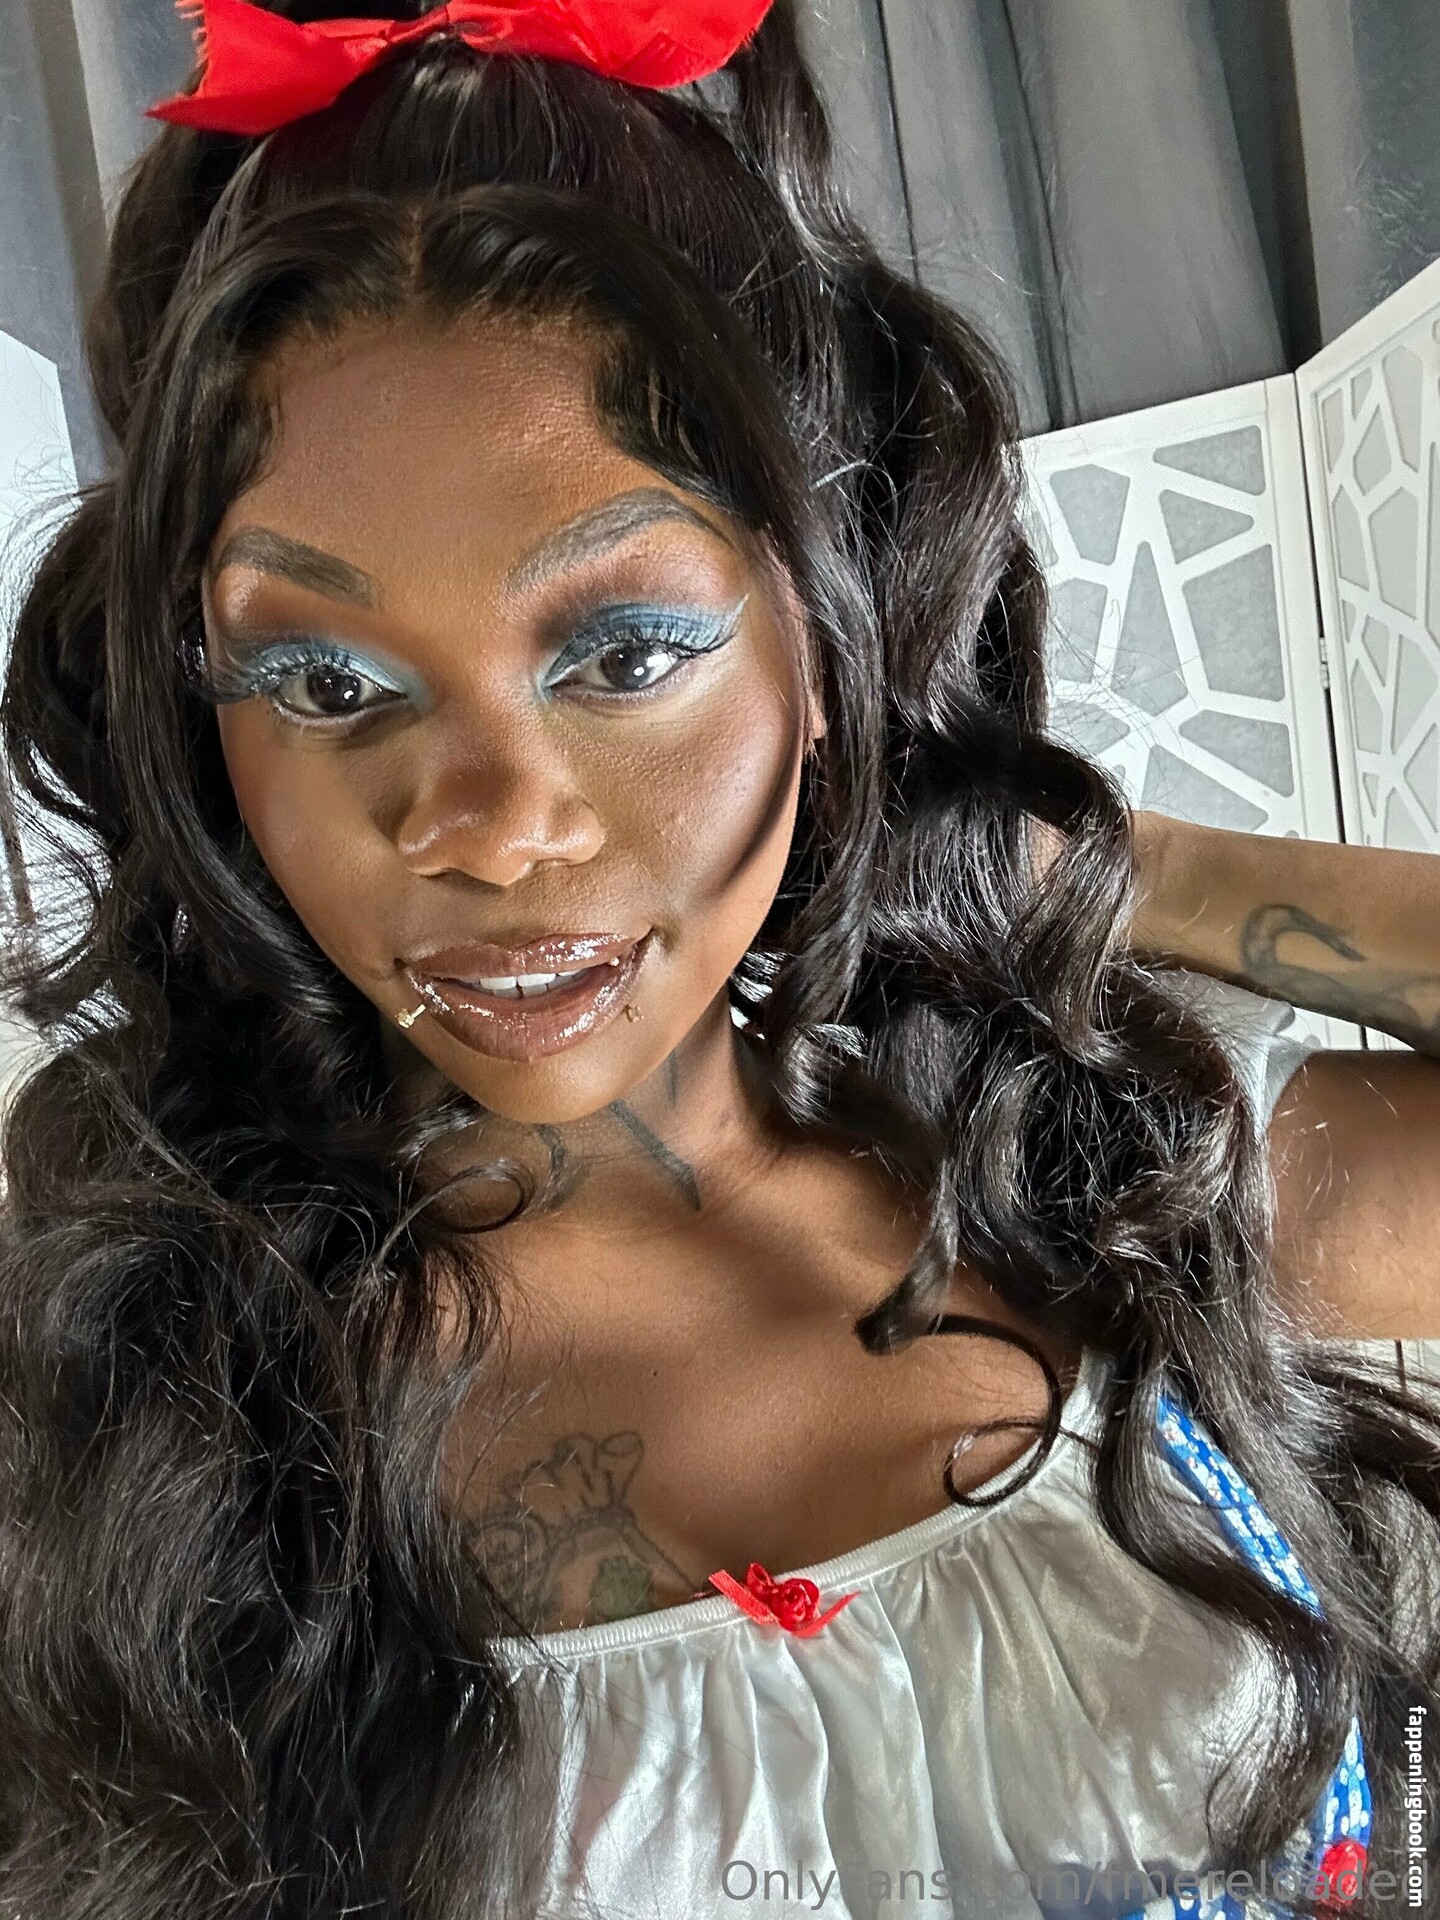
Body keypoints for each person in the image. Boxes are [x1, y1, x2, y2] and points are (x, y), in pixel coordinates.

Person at [0, 2, 1435, 1917]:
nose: (491, 827)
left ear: (827, 646)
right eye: (325, 683)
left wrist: (1092, 857)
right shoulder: (114, 1393)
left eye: (622, 653)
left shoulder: (1114, 1166)